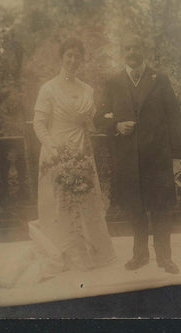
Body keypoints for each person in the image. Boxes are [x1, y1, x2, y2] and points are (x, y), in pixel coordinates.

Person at [94, 34, 181, 274]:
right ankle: (140, 255)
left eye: (136, 47)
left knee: (161, 209)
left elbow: (175, 118)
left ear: (143, 49)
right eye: (127, 48)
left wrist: (177, 156)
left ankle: (165, 258)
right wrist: (116, 126)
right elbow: (98, 119)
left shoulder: (160, 80)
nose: (132, 52)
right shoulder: (113, 82)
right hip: (129, 161)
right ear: (123, 52)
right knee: (135, 209)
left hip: (157, 160)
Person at [31, 38, 116, 278]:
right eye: (68, 55)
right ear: (61, 57)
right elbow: (38, 123)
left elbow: (90, 122)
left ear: (81, 59)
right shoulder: (49, 88)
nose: (72, 60)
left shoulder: (87, 89)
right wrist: (52, 147)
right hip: (57, 150)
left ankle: (90, 252)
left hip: (82, 149)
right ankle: (66, 252)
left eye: (77, 56)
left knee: (86, 200)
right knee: (59, 203)